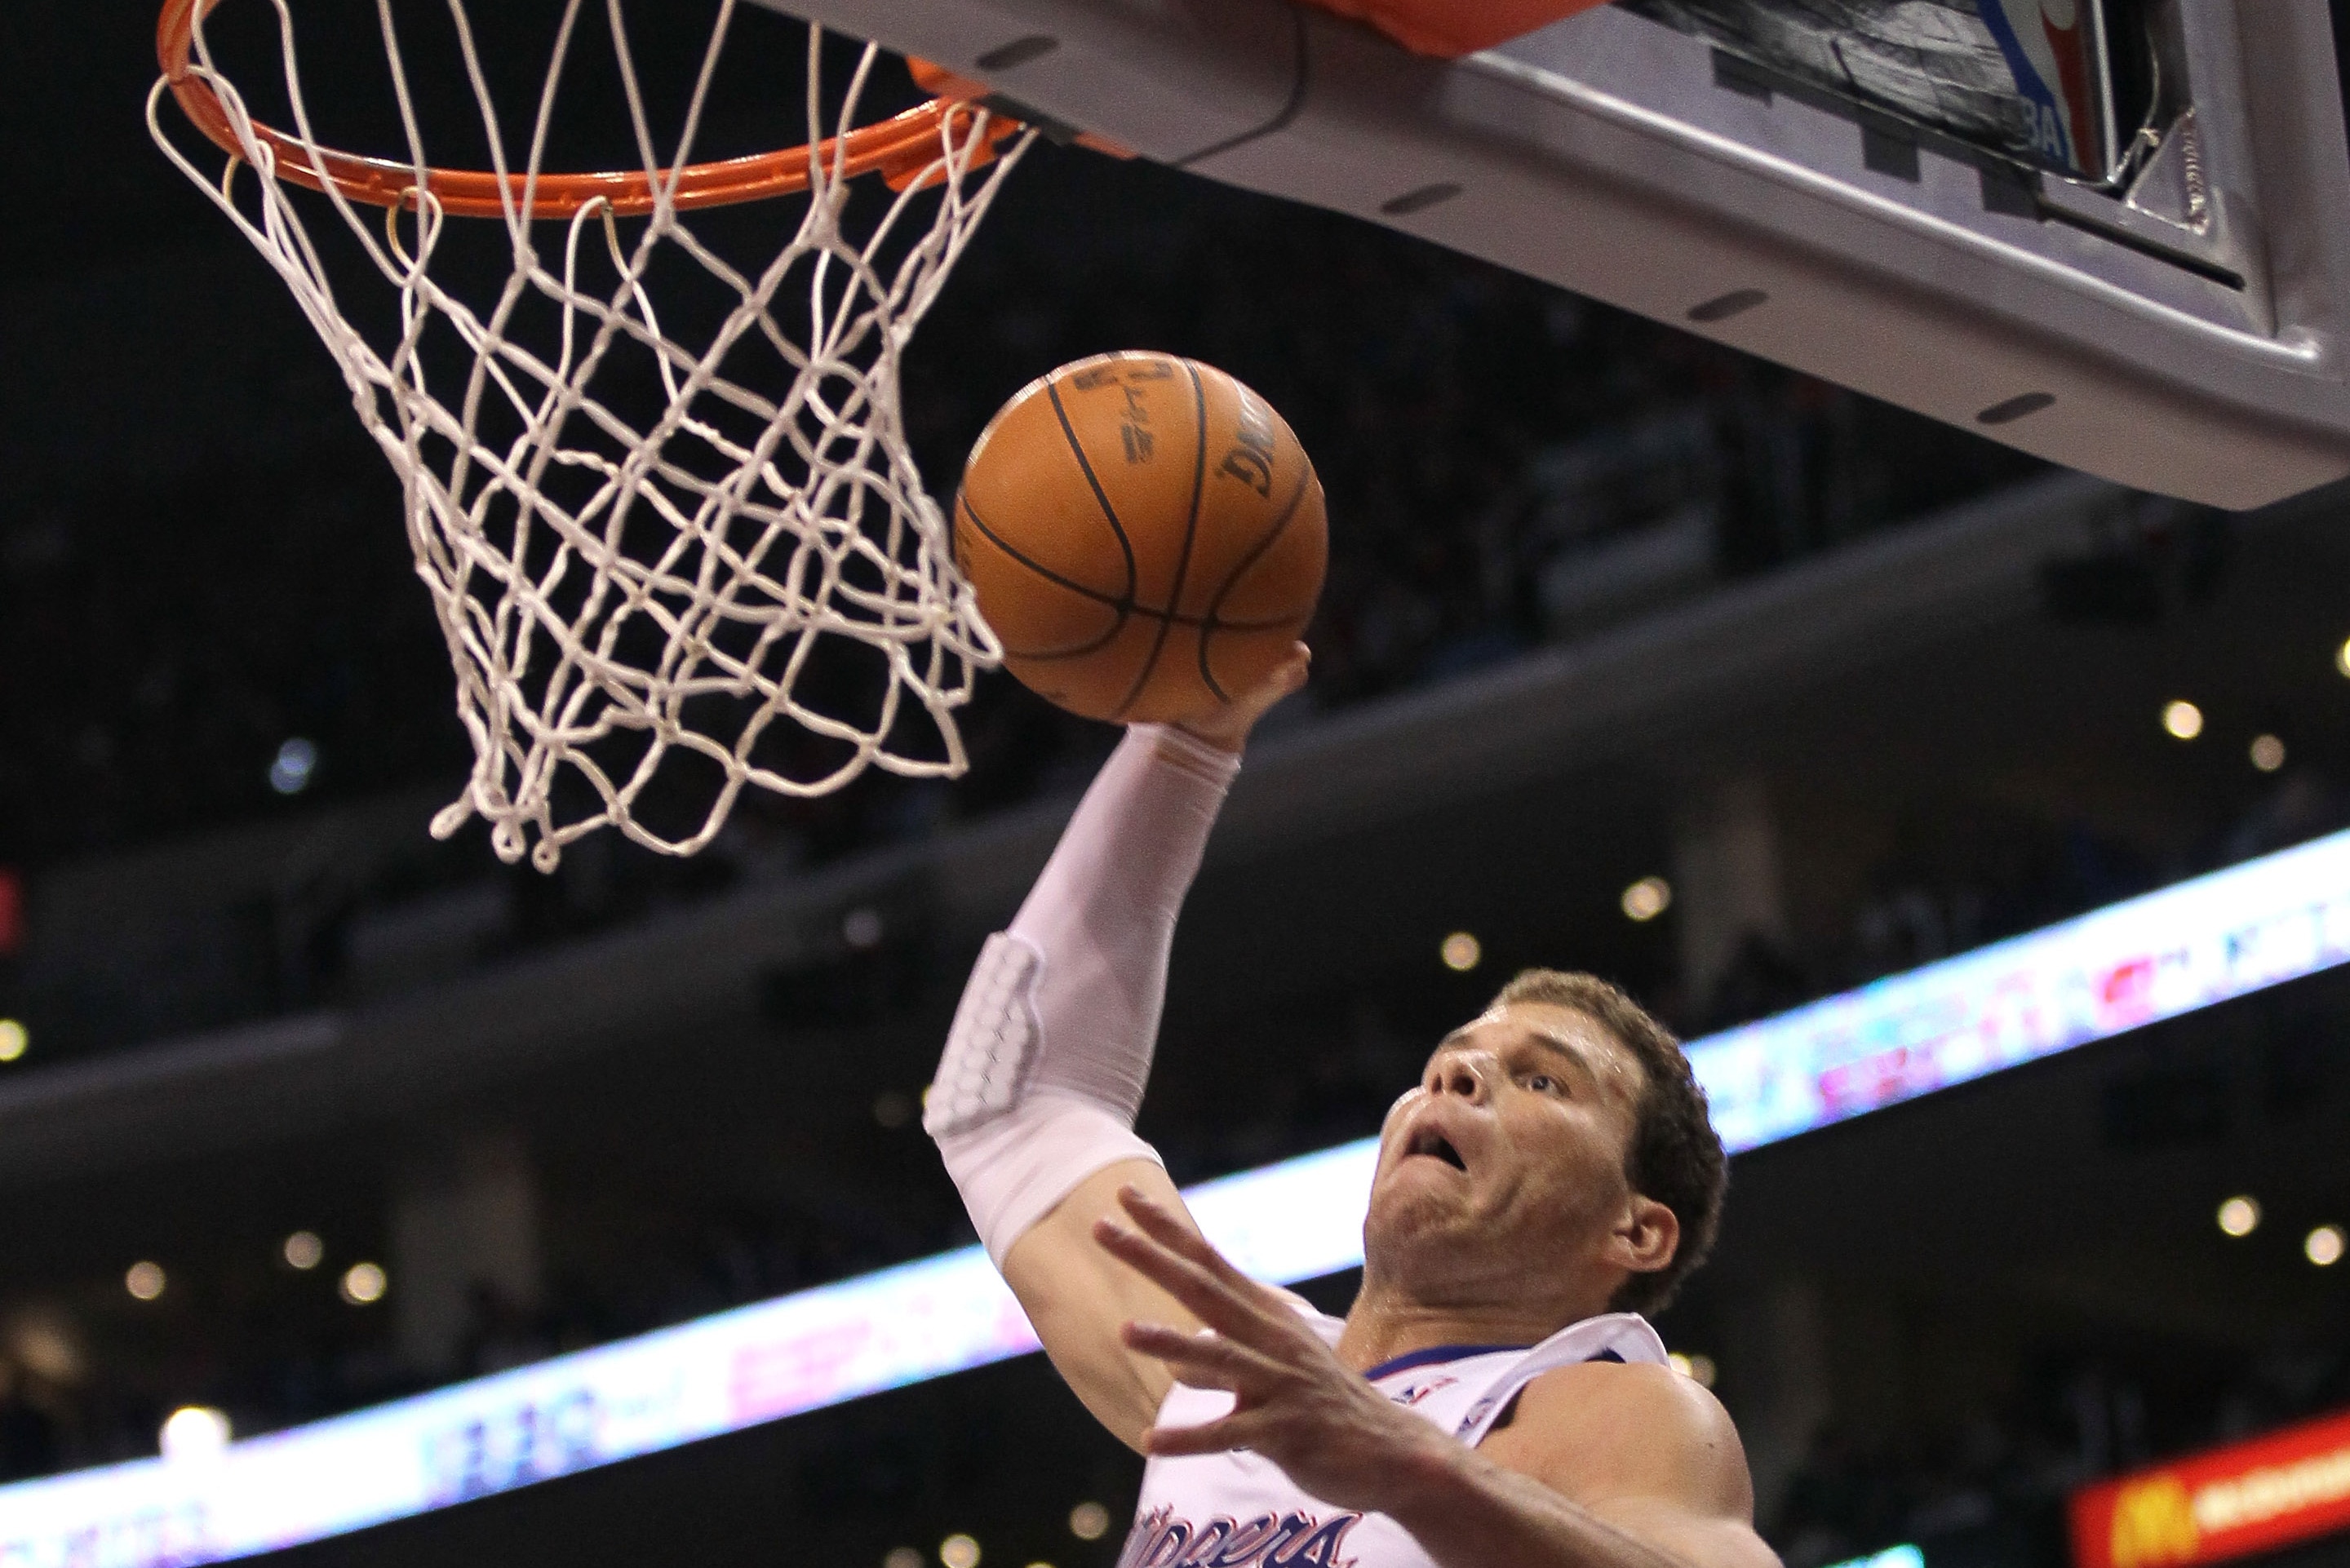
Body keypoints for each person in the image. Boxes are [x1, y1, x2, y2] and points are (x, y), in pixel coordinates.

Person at [926, 644, 1776, 1568]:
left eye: (1543, 1080)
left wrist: (1409, 1465)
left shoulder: (1616, 1409)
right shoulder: (1240, 1372)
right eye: (1451, 1060)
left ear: (1636, 1228)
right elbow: (1010, 1098)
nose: (1458, 1078)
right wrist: (1183, 746)